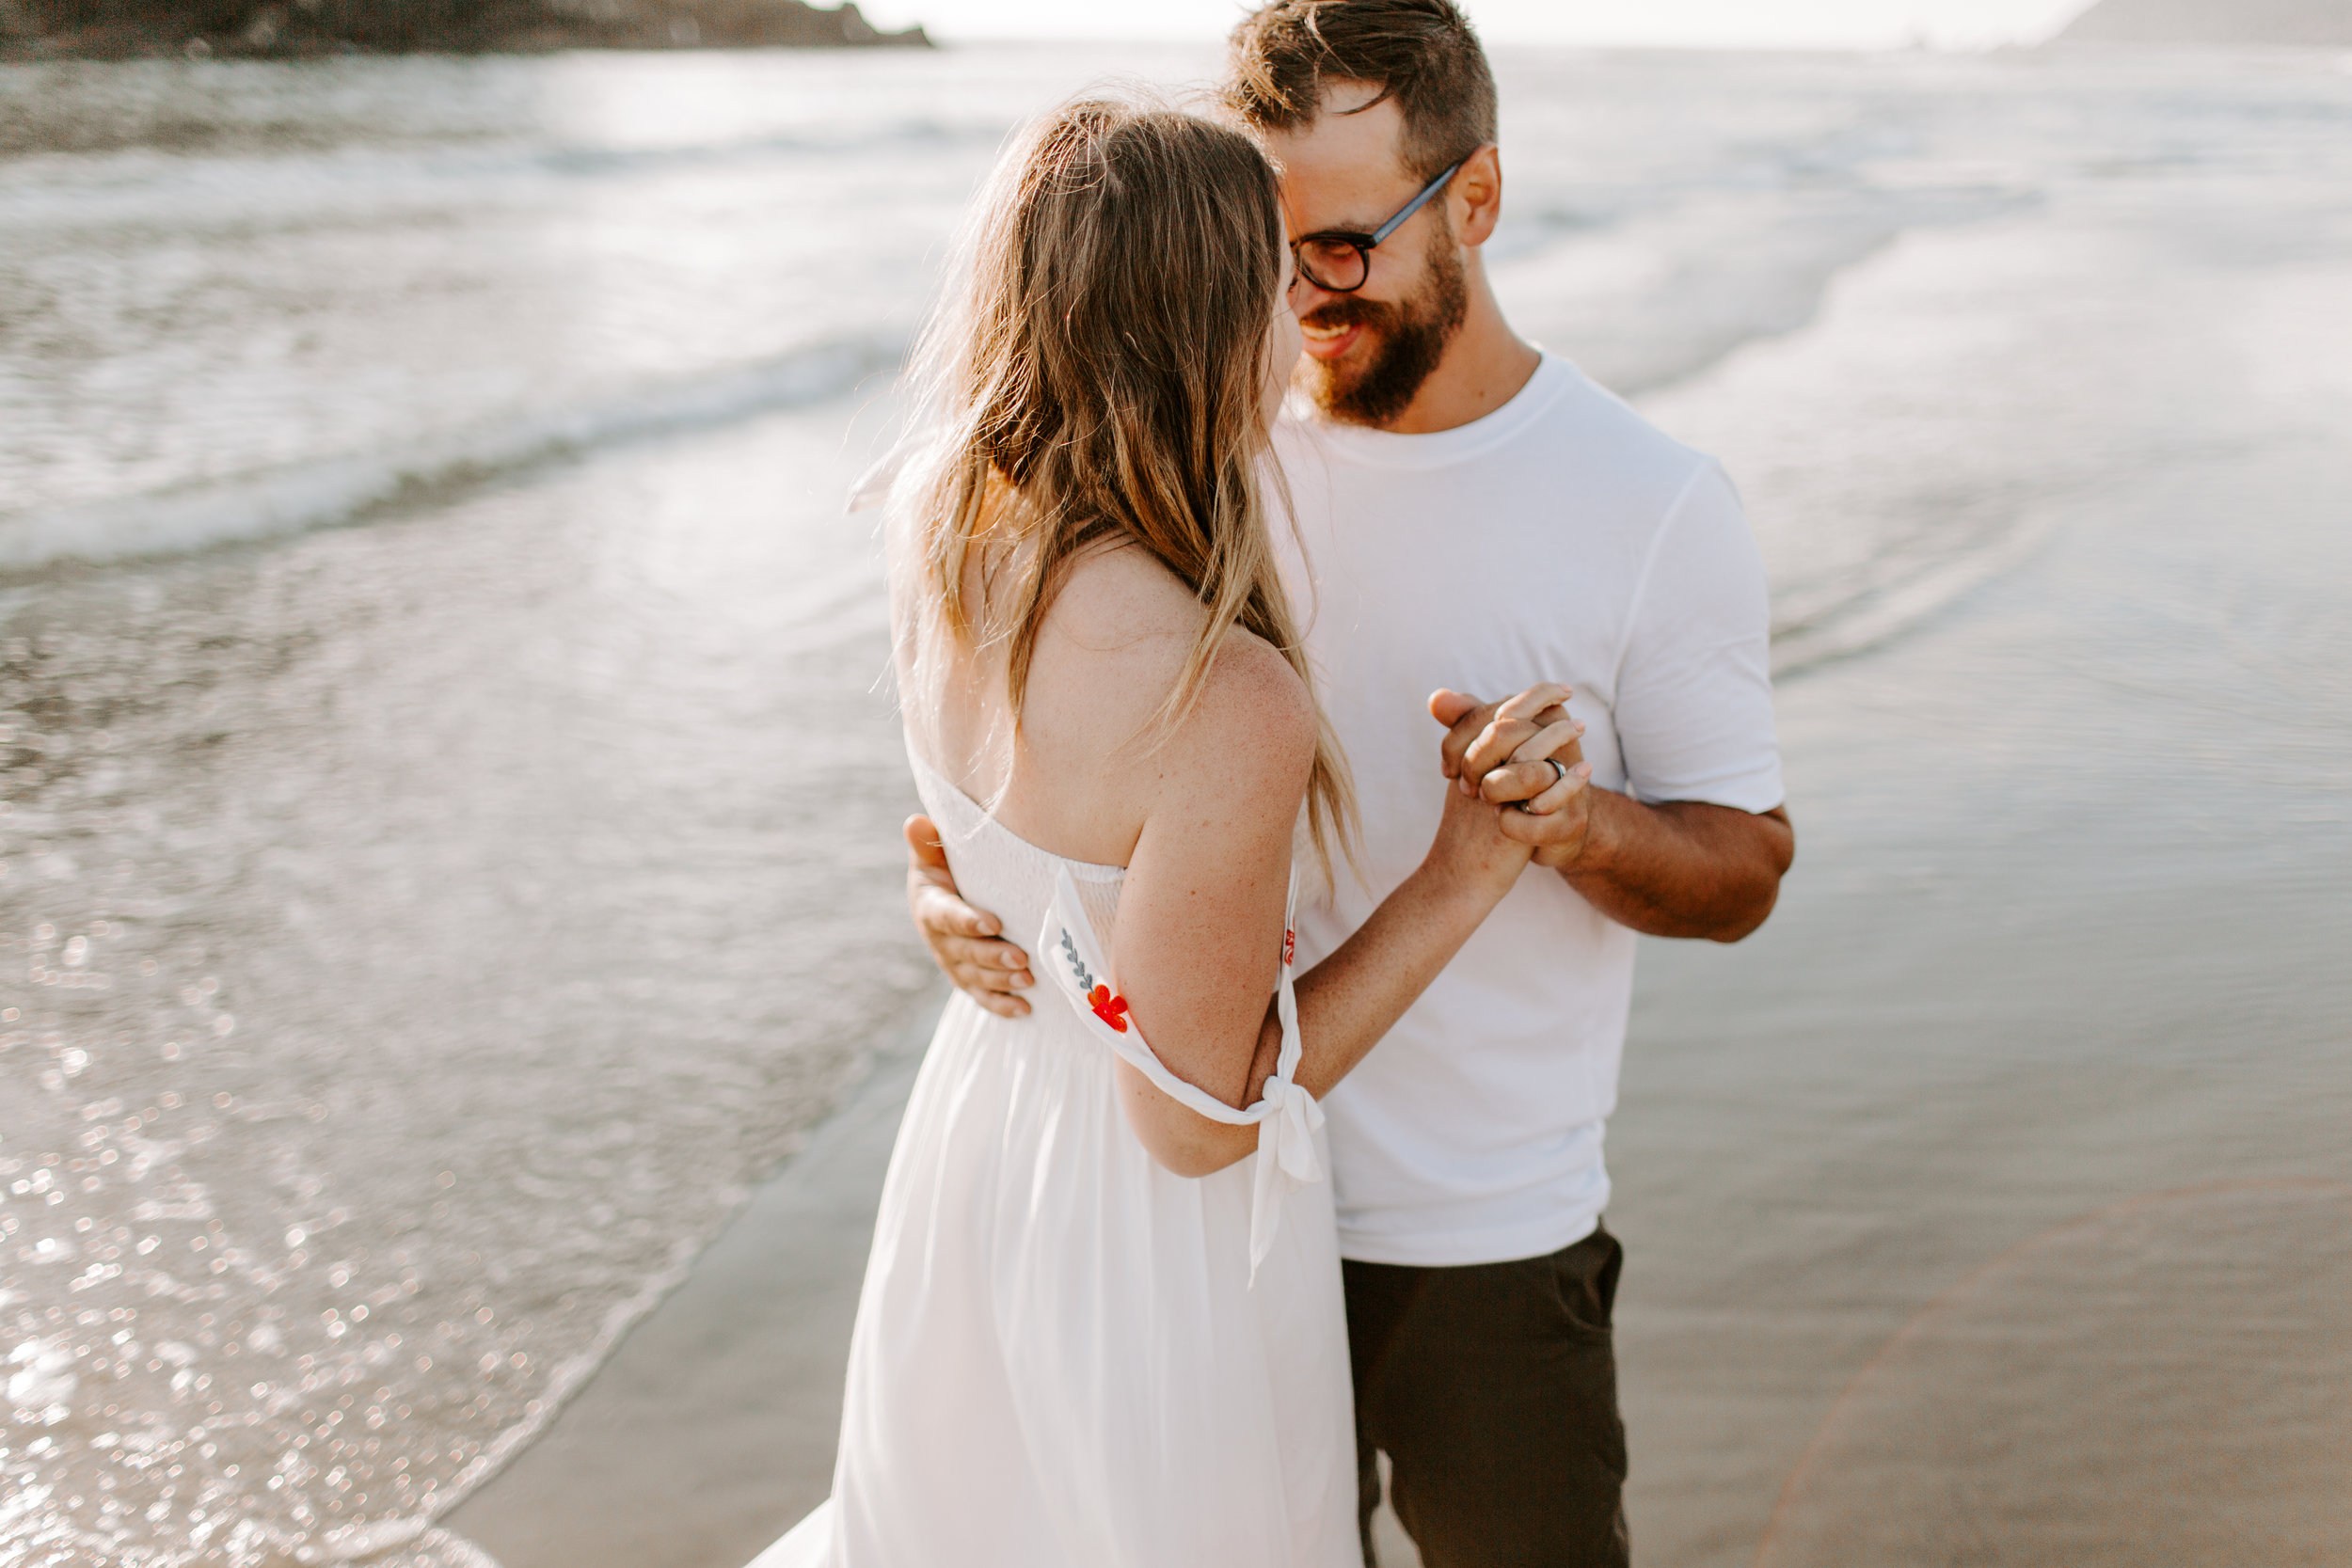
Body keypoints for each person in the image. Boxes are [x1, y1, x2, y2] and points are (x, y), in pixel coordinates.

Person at [904, 5, 1796, 1565]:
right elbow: (1040, 769)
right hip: (1203, 1230)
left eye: (1337, 244)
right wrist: (944, 891)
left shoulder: (1651, 503)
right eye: (1264, 248)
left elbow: (1745, 871)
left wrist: (1576, 827)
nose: (1298, 297)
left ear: (1477, 198)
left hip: (1476, 1237)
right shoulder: (1196, 444)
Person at [754, 98, 1582, 1568]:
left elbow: (986, 829)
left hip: (983, 1146)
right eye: (1276, 274)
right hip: (1133, 1243)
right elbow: (1195, 1121)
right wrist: (1463, 876)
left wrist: (940, 887)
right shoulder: (1220, 696)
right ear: (1203, 319)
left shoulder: (941, 515)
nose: (1306, 304)